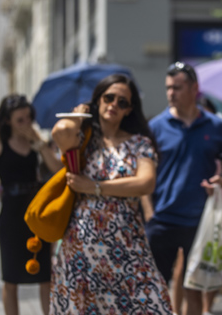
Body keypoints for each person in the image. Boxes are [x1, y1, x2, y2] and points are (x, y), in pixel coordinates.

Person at [51, 74, 173, 314]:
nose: (114, 105)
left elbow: (145, 183)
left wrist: (94, 187)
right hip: (82, 245)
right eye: (108, 98)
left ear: (129, 110)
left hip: (127, 242)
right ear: (98, 100)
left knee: (152, 304)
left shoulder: (139, 142)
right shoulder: (83, 138)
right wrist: (81, 113)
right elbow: (60, 132)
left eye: (122, 102)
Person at [144, 62, 222, 315]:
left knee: (194, 289)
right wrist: (149, 214)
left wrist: (221, 180)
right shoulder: (155, 127)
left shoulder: (216, 126)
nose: (171, 93)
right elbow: (145, 175)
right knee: (156, 290)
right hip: (161, 220)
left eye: (177, 87)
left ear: (194, 89)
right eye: (168, 88)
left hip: (199, 221)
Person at [0, 94, 62, 315]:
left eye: (28, 118)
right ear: (7, 120)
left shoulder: (36, 139)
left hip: (36, 212)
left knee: (46, 275)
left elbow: (57, 169)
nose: (26, 123)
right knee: (11, 278)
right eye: (20, 120)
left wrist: (42, 146)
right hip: (11, 213)